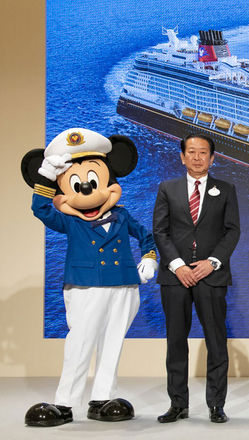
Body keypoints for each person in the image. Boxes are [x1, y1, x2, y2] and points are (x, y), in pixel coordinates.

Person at [21, 129, 157, 426]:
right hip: (86, 286)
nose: (87, 190)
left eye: (94, 182)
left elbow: (146, 237)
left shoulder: (122, 216)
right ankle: (65, 402)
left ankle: (102, 397)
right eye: (77, 185)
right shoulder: (69, 220)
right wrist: (45, 178)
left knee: (113, 341)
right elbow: (39, 209)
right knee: (80, 342)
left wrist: (149, 258)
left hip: (124, 284)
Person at [153, 134, 240, 424]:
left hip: (210, 276)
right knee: (176, 341)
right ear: (182, 156)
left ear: (212, 158)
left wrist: (212, 263)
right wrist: (178, 266)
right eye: (191, 152)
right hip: (175, 277)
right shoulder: (167, 188)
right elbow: (160, 232)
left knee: (216, 341)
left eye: (203, 153)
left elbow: (232, 231)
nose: (197, 157)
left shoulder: (226, 189)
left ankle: (217, 405)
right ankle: (178, 404)